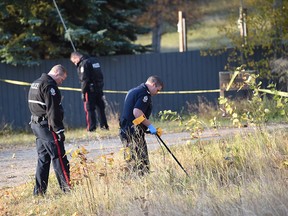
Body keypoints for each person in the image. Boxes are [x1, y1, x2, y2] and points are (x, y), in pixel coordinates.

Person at [28, 64, 70, 195]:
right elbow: (53, 110)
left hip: (36, 125)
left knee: (43, 159)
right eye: (61, 80)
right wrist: (59, 130)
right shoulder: (49, 86)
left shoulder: (36, 82)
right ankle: (67, 189)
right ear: (57, 73)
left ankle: (39, 192)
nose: (61, 83)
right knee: (59, 157)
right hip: (47, 127)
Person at [119, 75, 163, 176]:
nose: (157, 93)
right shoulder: (145, 95)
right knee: (141, 160)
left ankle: (131, 180)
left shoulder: (133, 90)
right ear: (153, 84)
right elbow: (137, 112)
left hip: (125, 129)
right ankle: (142, 180)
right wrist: (151, 127)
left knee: (130, 158)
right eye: (157, 90)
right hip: (133, 132)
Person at [70, 51, 109, 131]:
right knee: (100, 108)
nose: (75, 64)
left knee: (89, 109)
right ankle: (104, 126)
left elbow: (85, 79)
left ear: (76, 57)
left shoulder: (84, 64)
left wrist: (83, 92)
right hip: (99, 88)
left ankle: (91, 128)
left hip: (89, 90)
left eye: (74, 61)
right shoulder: (94, 61)